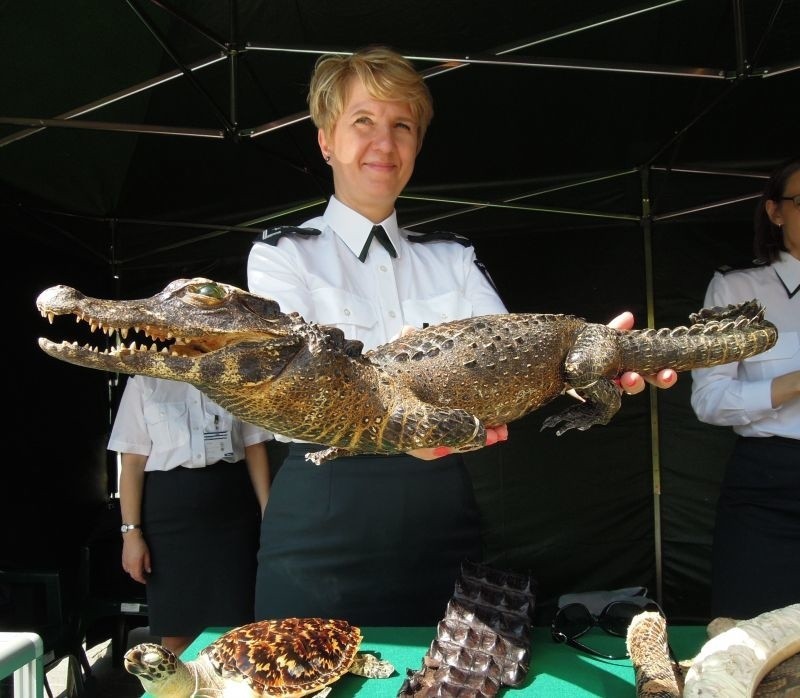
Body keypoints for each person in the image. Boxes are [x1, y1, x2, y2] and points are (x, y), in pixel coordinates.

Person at [247, 45, 677, 626]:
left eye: (403, 126)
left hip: (439, 508)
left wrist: (589, 372)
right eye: (363, 122)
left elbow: (518, 370)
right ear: (326, 139)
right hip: (323, 511)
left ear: (417, 146)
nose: (385, 142)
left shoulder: (453, 258)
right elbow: (289, 395)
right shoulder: (280, 258)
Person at [691, 157, 800, 620]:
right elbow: (709, 399)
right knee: (748, 636)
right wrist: (792, 384)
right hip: (769, 485)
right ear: (775, 212)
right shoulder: (737, 289)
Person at [109, 375, 271, 656]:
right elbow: (132, 463)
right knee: (176, 631)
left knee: (238, 630)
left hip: (232, 514)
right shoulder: (145, 382)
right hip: (170, 519)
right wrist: (131, 533)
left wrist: (270, 517)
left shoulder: (232, 375)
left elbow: (254, 447)